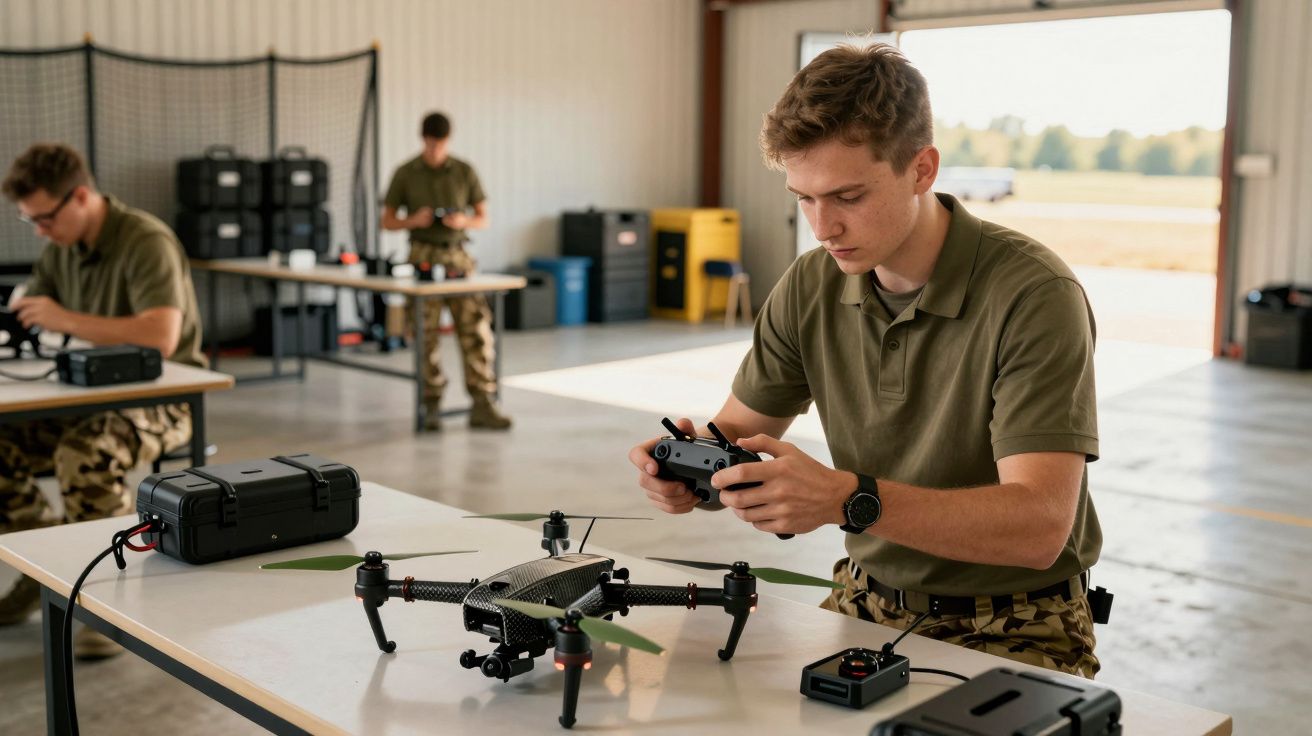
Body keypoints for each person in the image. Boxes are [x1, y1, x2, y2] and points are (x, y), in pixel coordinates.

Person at [629, 44, 1104, 678]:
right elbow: (737, 431)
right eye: (803, 197)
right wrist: (695, 470)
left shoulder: (1034, 295)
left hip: (1017, 619)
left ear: (922, 168)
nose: (822, 227)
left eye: (847, 196)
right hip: (864, 595)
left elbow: (1039, 526)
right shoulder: (810, 285)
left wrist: (846, 500)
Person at [0, 142, 206, 659]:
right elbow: (35, 305)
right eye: (32, 222)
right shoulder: (61, 246)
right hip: (89, 391)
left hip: (165, 397)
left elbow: (160, 335)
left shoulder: (144, 240)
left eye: (45, 218)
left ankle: (109, 601)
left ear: (82, 197)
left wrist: (61, 318)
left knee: (83, 454)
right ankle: (47, 563)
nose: (41, 231)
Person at [382, 111, 510, 432]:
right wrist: (414, 220)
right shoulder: (406, 173)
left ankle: (483, 403)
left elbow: (483, 217)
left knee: (476, 331)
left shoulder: (464, 171)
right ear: (422, 138)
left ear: (448, 140)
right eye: (430, 142)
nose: (435, 148)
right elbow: (387, 220)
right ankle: (431, 404)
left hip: (457, 258)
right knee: (425, 335)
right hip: (421, 258)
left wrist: (462, 221)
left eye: (440, 143)